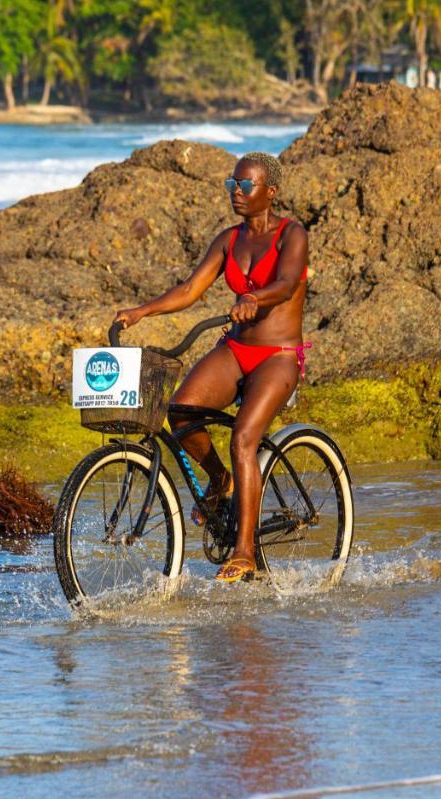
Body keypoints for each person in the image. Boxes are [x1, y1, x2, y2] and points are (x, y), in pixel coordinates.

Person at [113, 152, 310, 583]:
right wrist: (142, 311)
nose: (236, 193)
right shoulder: (228, 239)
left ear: (270, 192)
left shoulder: (291, 234)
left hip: (277, 355)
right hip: (236, 349)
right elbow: (190, 290)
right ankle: (222, 481)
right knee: (180, 410)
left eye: (246, 186)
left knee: (243, 439)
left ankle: (244, 552)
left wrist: (255, 299)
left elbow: (288, 282)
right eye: (232, 185)